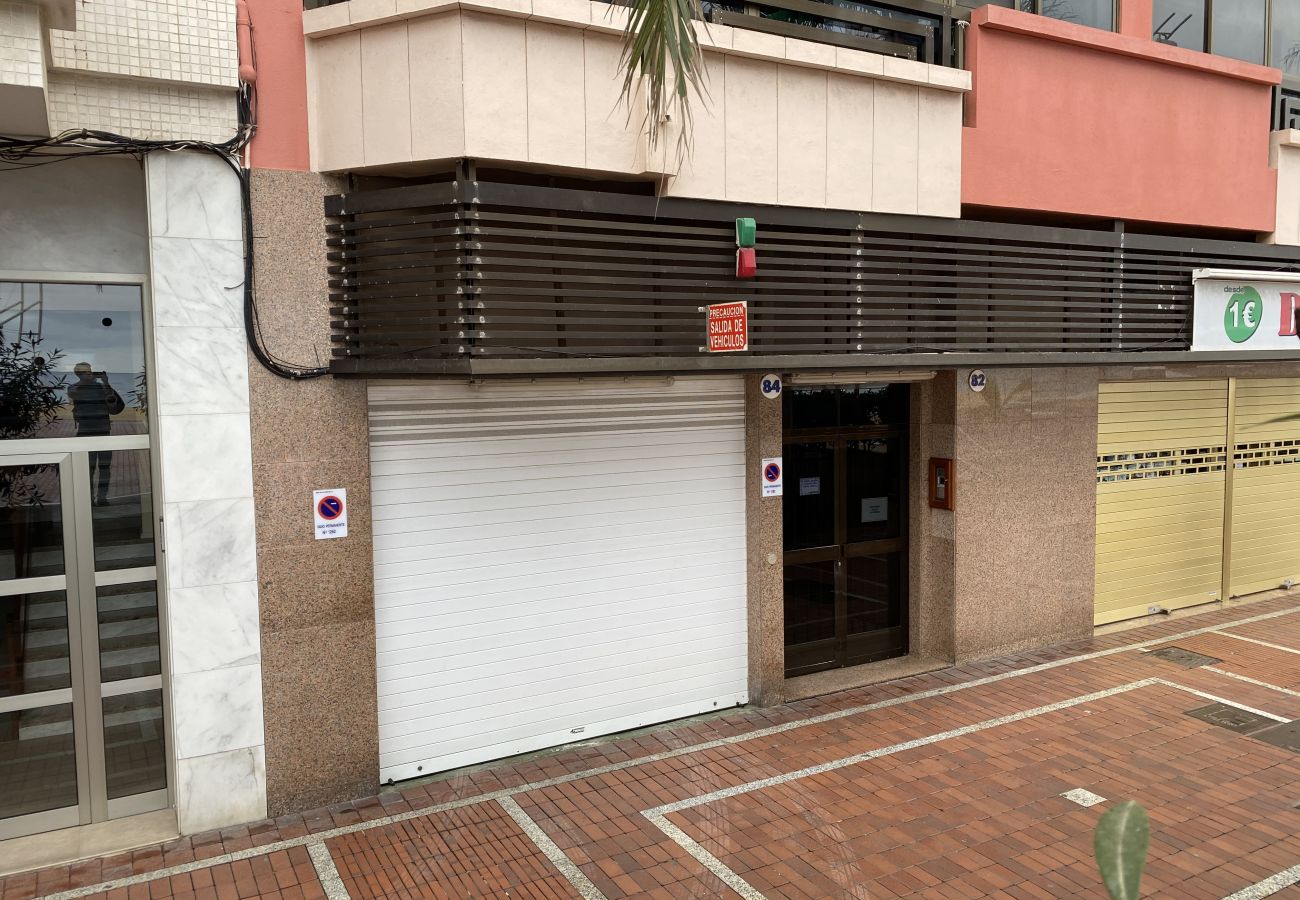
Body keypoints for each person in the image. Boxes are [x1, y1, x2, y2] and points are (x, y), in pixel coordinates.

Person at [67, 362, 125, 506]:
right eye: (85, 373)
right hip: (85, 431)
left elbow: (114, 404)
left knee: (104, 468)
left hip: (103, 431)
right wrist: (88, 382)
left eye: (90, 372)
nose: (89, 374)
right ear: (79, 374)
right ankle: (89, 498)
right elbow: (72, 393)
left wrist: (105, 382)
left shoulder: (101, 388)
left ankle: (102, 498)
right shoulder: (74, 387)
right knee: (88, 468)